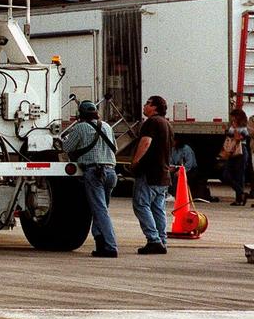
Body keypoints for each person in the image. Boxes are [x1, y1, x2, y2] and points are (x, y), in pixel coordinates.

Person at [62, 100, 119, 257]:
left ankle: (110, 246)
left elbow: (66, 148)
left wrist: (62, 139)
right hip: (111, 172)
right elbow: (115, 147)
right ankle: (100, 242)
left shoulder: (80, 127)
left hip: (94, 172)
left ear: (80, 114)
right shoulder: (107, 126)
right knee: (101, 209)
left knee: (100, 211)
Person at [129, 95, 173, 254]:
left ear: (154, 107)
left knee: (141, 205)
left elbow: (146, 142)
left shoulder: (151, 123)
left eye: (148, 103)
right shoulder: (167, 124)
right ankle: (162, 240)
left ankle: (153, 240)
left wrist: (135, 161)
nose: (144, 106)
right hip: (163, 174)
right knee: (158, 208)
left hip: (149, 173)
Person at [218, 108, 249, 206]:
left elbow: (240, 138)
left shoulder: (243, 128)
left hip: (240, 151)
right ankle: (241, 193)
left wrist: (235, 129)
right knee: (226, 175)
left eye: (233, 117)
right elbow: (229, 138)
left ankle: (239, 199)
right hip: (231, 152)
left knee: (239, 176)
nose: (232, 119)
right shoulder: (232, 127)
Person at [170, 135, 209, 203]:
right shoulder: (173, 149)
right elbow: (171, 161)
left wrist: (181, 171)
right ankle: (169, 193)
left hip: (190, 170)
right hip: (178, 168)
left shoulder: (186, 149)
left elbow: (189, 164)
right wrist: (171, 168)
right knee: (168, 174)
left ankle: (175, 195)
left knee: (177, 177)